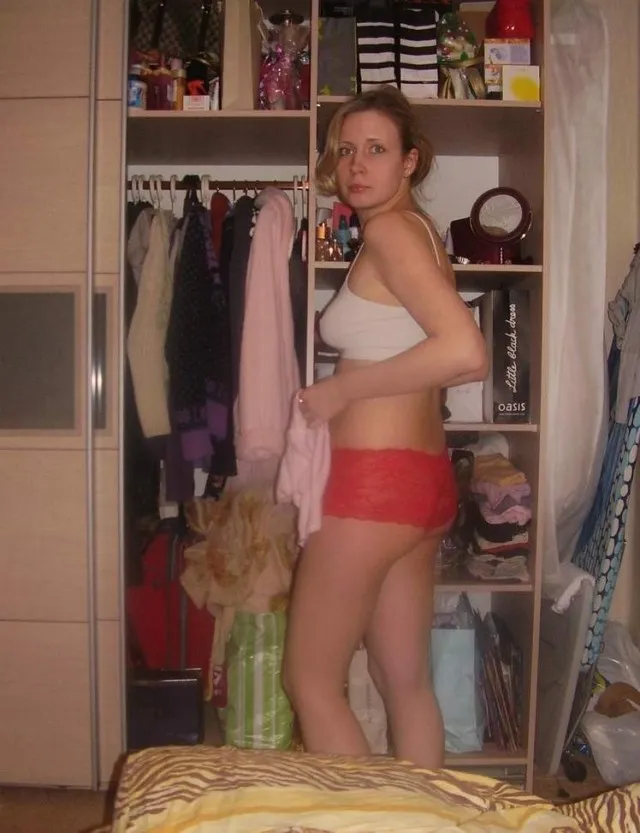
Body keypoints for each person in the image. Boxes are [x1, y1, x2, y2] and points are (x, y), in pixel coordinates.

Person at [282, 86, 488, 768]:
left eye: (376, 149)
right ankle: (420, 814)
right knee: (404, 682)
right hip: (421, 485)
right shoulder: (422, 232)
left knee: (310, 681)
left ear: (409, 161)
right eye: (346, 150)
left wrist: (341, 389)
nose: (356, 164)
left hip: (373, 489)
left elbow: (466, 352)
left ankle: (365, 816)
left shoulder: (390, 232)